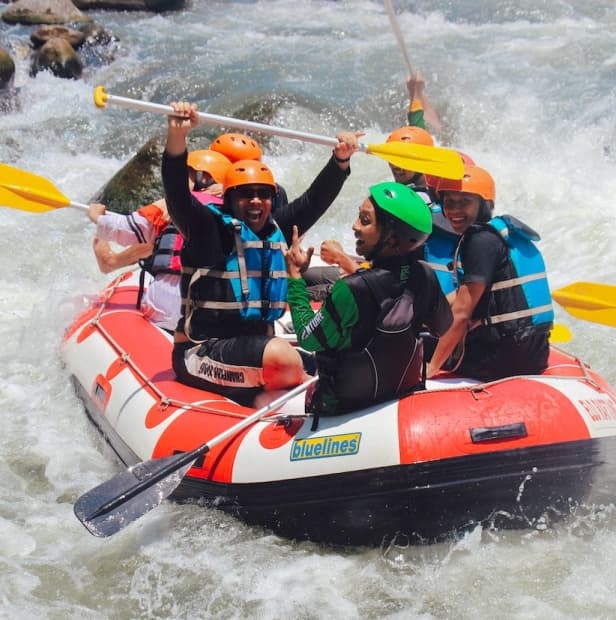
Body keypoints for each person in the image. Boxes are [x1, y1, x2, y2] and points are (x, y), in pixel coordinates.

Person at [162, 100, 360, 407]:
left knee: (343, 364)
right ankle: (287, 394)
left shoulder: (274, 230)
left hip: (257, 347)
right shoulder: (208, 230)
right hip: (203, 351)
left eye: (263, 194)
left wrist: (340, 162)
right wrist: (177, 137)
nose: (256, 201)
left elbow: (313, 201)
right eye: (246, 194)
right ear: (229, 198)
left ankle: (274, 395)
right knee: (282, 357)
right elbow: (176, 194)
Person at [285, 182, 452, 416]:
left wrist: (294, 276)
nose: (354, 227)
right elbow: (442, 326)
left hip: (346, 409)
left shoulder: (351, 288)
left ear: (393, 237)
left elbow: (307, 338)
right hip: (401, 395)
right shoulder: (424, 274)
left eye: (365, 220)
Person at [426, 165, 554, 381]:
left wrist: (431, 370)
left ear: (485, 205)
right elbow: (469, 295)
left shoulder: (479, 241)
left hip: (502, 359)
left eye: (464, 202)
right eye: (449, 202)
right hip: (536, 353)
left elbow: (461, 313)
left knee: (419, 343)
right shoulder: (504, 234)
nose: (454, 210)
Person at [88, 148, 231, 332]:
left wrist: (97, 217)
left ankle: (111, 261)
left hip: (164, 305)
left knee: (158, 232)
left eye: (185, 174)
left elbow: (125, 228)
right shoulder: (238, 212)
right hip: (213, 312)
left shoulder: (169, 205)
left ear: (201, 178)